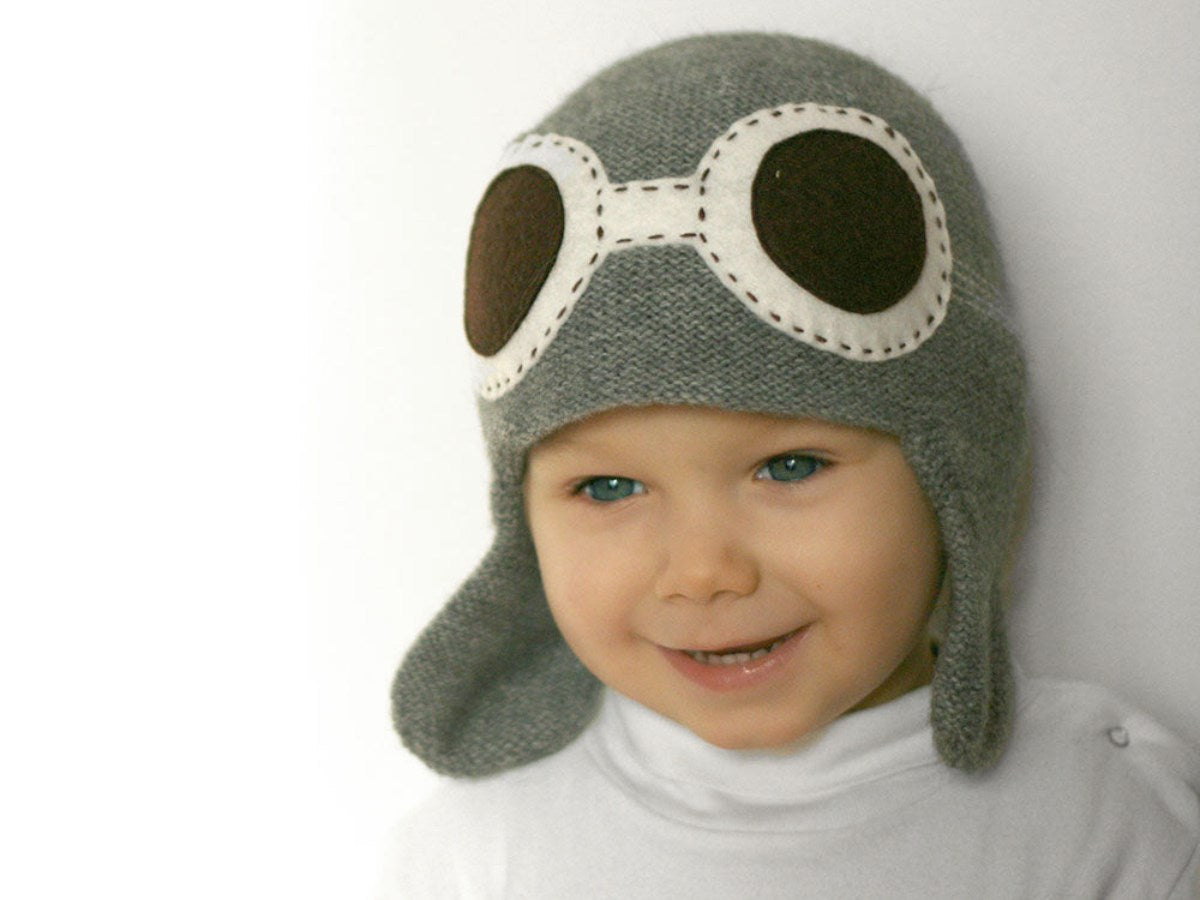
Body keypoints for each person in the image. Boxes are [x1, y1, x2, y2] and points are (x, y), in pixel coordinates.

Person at [380, 32, 1200, 898]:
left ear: (957, 469)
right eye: (609, 487)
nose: (703, 573)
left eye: (792, 466)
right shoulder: (477, 856)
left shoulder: (1096, 822)